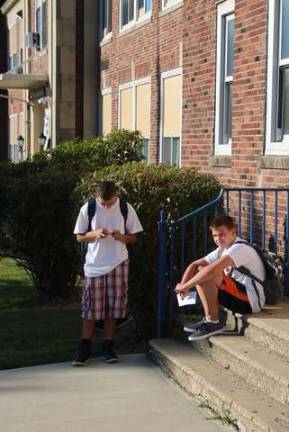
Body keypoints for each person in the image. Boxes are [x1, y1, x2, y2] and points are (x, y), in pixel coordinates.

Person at [73, 180, 143, 366]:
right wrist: (94, 233)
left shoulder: (124, 207)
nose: (106, 206)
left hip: (118, 262)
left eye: (110, 202)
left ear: (116, 196)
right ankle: (85, 346)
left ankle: (108, 345)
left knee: (113, 307)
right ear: (97, 196)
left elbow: (134, 237)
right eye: (103, 203)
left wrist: (122, 237)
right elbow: (79, 236)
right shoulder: (88, 208)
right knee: (90, 308)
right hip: (94, 265)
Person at [175, 215, 265, 341]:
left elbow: (211, 270)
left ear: (233, 232)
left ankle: (214, 322)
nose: (218, 239)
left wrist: (186, 287)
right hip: (236, 293)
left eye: (222, 234)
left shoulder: (239, 248)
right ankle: (210, 318)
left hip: (251, 300)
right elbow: (195, 265)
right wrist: (182, 285)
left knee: (210, 273)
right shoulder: (222, 250)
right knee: (201, 271)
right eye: (215, 235)